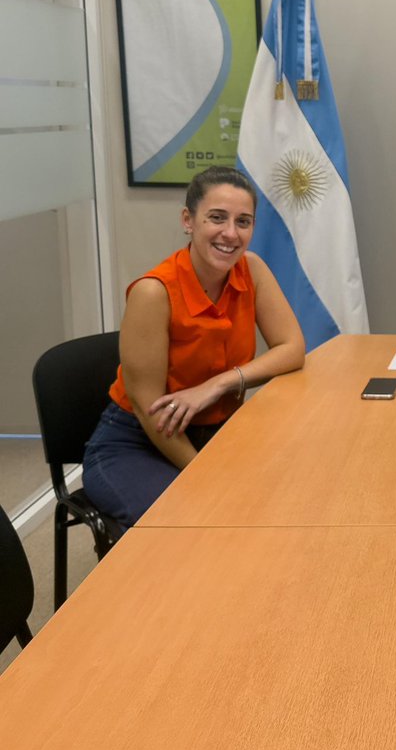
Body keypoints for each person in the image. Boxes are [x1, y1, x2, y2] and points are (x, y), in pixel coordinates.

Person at [82, 166, 305, 530]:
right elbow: (148, 407)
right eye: (216, 218)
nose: (230, 234)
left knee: (290, 497)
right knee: (190, 523)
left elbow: (292, 347)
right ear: (189, 220)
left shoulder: (251, 269)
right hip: (138, 440)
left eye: (243, 221)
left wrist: (217, 385)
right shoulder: (154, 292)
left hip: (219, 430)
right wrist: (204, 474)